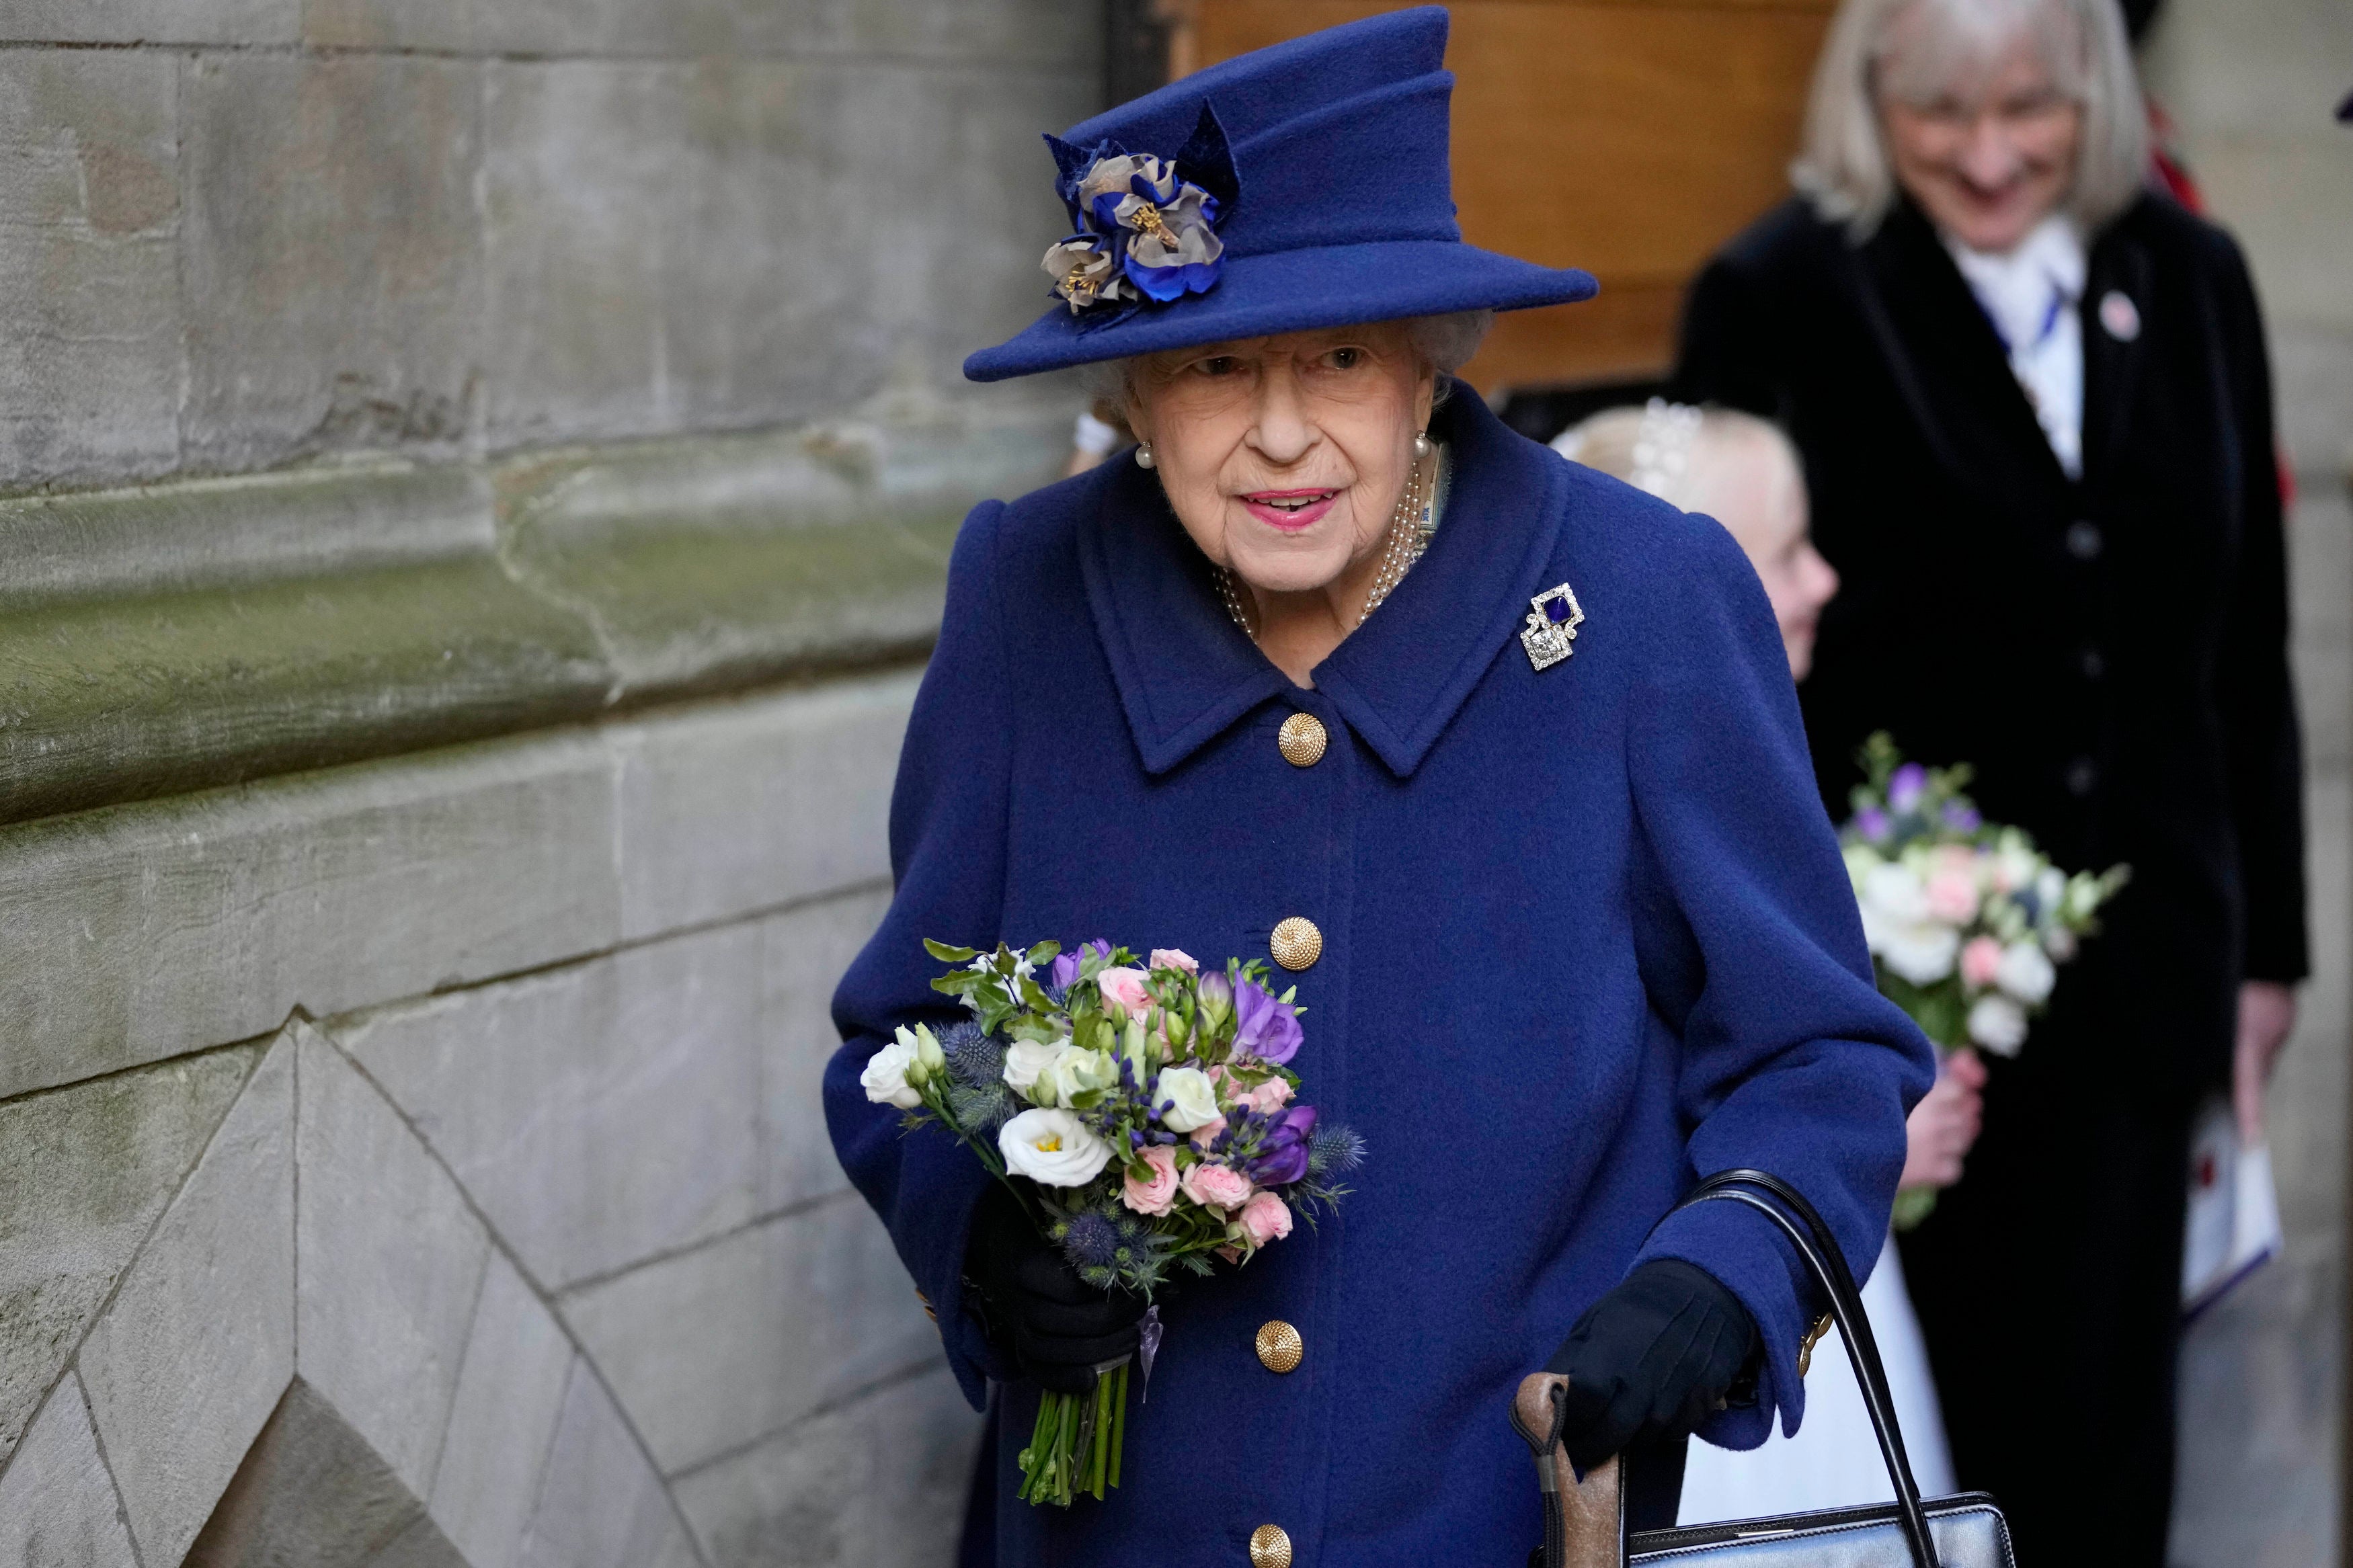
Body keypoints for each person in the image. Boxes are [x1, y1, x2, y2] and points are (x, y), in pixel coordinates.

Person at [824, 11, 1935, 1563]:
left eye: (1339, 358)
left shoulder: (1642, 603)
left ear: (1427, 366)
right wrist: (986, 1235)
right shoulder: (1027, 595)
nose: (1283, 435)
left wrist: (1721, 1276)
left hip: (1501, 1522)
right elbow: (905, 1038)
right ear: (1136, 398)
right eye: (1214, 366)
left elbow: (1819, 1054)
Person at [1671, 0, 2308, 1559]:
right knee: (1946, 1461)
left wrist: (2269, 950)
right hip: (1906, 1011)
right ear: (1866, 96)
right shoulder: (1777, 292)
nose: (1987, 153)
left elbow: (2248, 639)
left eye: (2026, 106)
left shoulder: (2191, 275)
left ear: (2089, 88)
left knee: (2113, 1446)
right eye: (1937, 113)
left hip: (2150, 964)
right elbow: (1719, 666)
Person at [1558, 401, 1985, 1518]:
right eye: (1783, 552)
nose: (1822, 581)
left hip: (1783, 1270)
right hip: (1674, 1334)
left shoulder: (1767, 749)